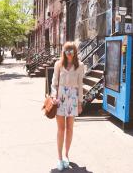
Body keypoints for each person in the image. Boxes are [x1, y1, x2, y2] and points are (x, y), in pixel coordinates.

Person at [51, 41, 84, 171]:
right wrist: (54, 96)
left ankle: (66, 155)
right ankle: (59, 158)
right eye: (67, 51)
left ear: (75, 52)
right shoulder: (58, 64)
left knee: (70, 129)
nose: (69, 53)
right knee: (61, 129)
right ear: (63, 52)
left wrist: (80, 103)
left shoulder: (80, 65)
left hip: (73, 98)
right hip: (60, 98)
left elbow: (80, 85)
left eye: (71, 51)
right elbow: (54, 83)